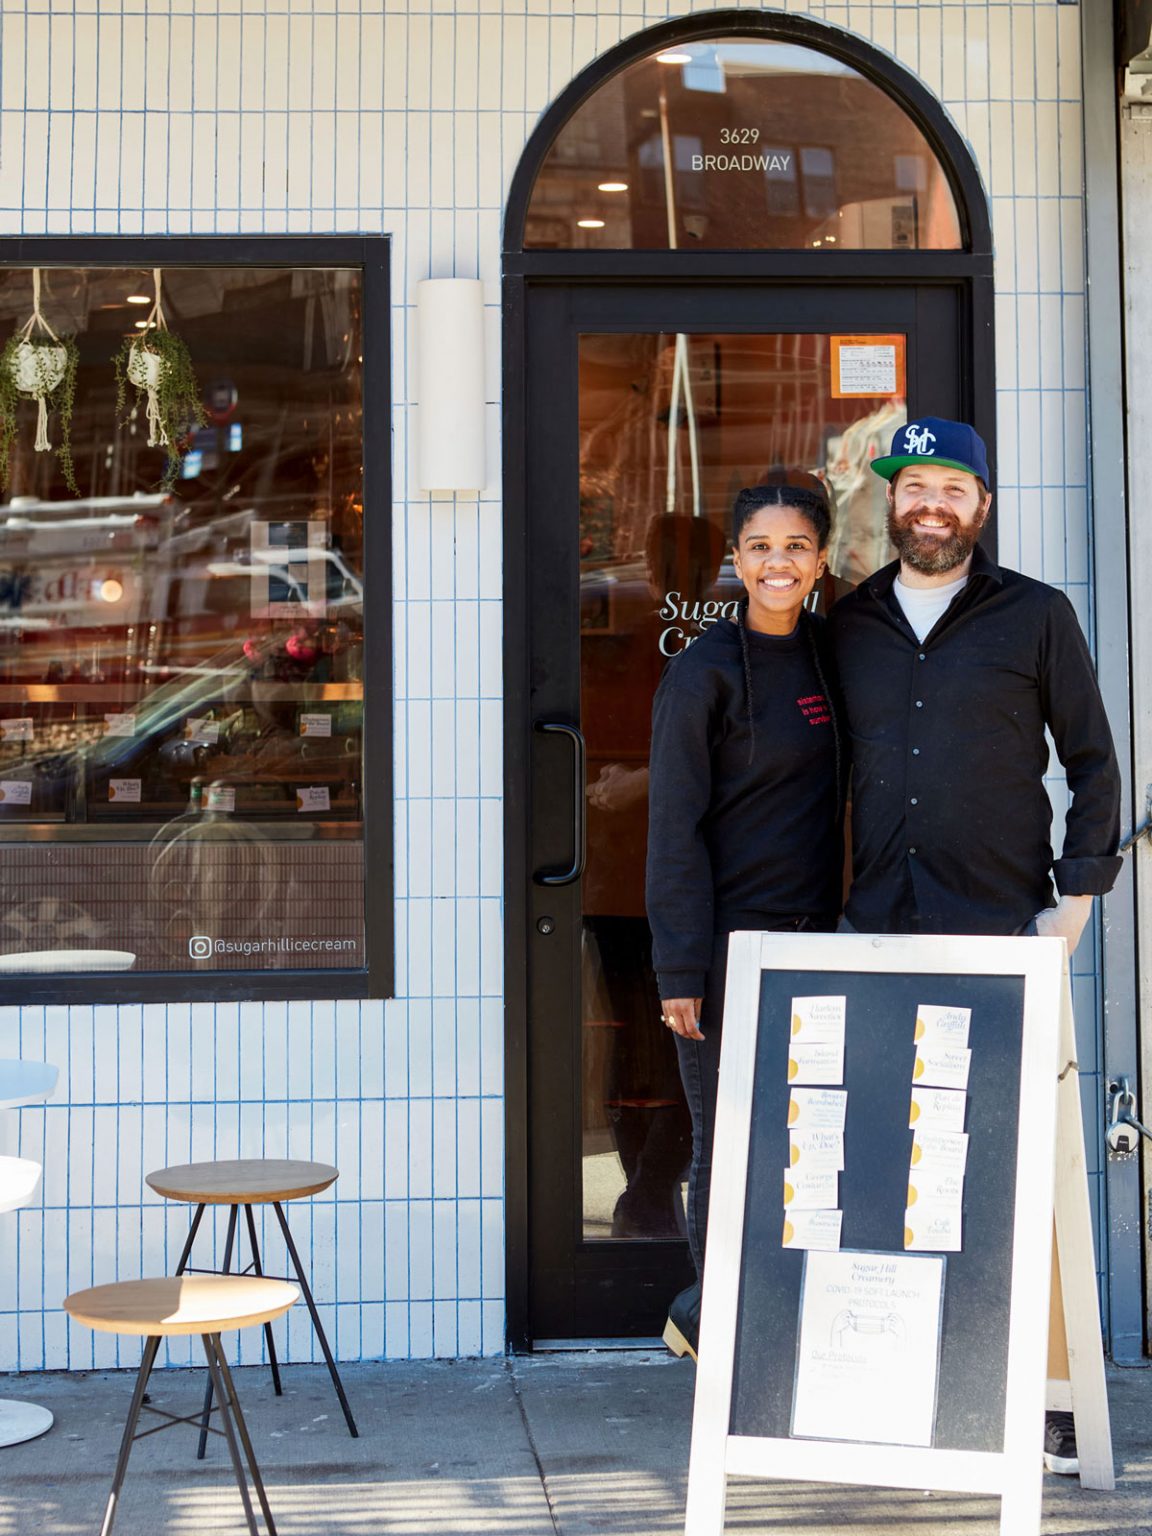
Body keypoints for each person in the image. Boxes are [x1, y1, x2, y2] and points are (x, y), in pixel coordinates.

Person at [829, 416, 1122, 1475]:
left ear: (982, 504)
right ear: (891, 503)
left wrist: (1077, 896)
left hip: (1001, 927)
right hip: (871, 936)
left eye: (952, 487)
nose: (931, 505)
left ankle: (1045, 1402)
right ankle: (908, 1390)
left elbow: (1093, 762)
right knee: (893, 1168)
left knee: (1016, 1175)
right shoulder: (847, 623)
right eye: (914, 488)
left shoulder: (1036, 617)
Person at [646, 473, 846, 1361]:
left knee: (802, 1137)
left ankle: (761, 1322)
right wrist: (680, 968)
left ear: (821, 560)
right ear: (735, 561)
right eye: (760, 547)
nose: (778, 563)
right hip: (730, 948)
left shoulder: (834, 658)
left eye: (795, 547)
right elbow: (674, 828)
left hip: (825, 938)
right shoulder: (703, 672)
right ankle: (721, 1331)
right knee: (730, 1144)